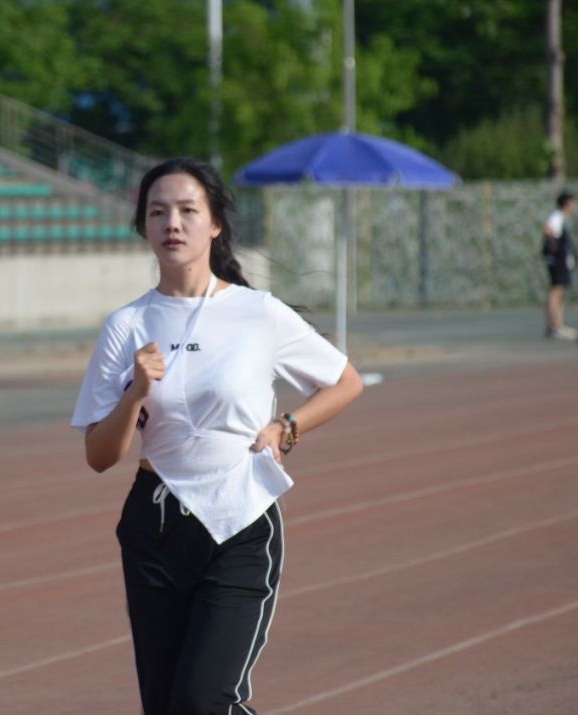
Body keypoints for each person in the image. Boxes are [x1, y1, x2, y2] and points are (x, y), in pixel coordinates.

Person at [71, 157, 363, 715]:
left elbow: (344, 382)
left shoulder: (258, 313)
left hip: (240, 522)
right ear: (143, 225)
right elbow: (98, 456)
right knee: (167, 708)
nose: (172, 223)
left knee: (204, 702)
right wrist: (134, 394)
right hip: (154, 529)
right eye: (157, 212)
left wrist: (286, 427)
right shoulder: (126, 326)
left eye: (187, 210)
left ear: (215, 225)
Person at [543, 191, 578, 339]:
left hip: (561, 260)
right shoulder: (557, 216)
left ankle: (558, 323)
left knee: (560, 291)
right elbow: (548, 229)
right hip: (557, 260)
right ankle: (554, 325)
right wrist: (555, 247)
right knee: (556, 290)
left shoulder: (562, 218)